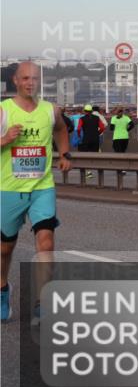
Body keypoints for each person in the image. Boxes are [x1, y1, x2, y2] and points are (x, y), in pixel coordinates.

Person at [1, 62, 72, 324]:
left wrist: (64, 153)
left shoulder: (50, 110)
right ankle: (2, 289)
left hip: (42, 187)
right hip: (8, 189)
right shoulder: (4, 111)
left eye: (35, 78)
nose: (30, 83)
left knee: (46, 242)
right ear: (15, 81)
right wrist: (5, 139)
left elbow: (61, 129)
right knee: (5, 248)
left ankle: (43, 301)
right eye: (25, 78)